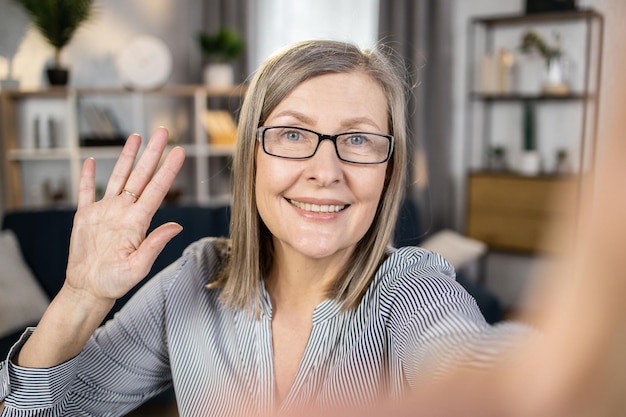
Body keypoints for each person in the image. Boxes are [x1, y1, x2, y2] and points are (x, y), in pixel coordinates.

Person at [0, 39, 624, 417]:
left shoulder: (411, 285)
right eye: (294, 134)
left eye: (357, 140)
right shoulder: (195, 278)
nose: (326, 170)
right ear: (250, 158)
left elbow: (477, 361)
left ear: (388, 171)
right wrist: (80, 297)